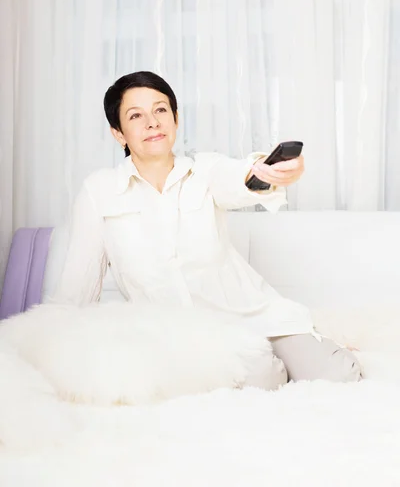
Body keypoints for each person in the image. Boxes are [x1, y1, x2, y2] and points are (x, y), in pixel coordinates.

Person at [52, 71, 362, 388]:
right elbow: (78, 284)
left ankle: (300, 345)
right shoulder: (99, 191)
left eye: (160, 110)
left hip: (257, 314)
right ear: (119, 133)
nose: (152, 122)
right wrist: (55, 345)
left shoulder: (205, 170)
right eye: (136, 115)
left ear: (175, 118)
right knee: (262, 379)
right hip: (184, 336)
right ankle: (273, 362)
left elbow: (239, 176)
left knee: (341, 376)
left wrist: (269, 173)